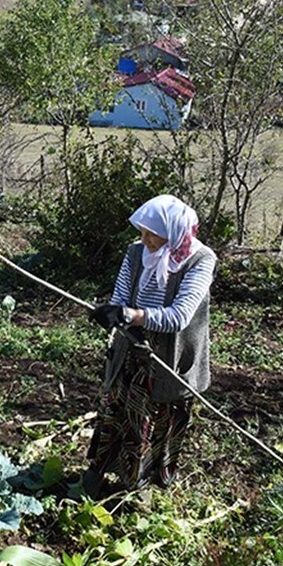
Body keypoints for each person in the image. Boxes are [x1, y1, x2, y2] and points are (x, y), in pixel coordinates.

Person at [83, 194, 217, 496]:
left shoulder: (199, 259)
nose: (144, 240)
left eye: (151, 234)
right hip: (131, 349)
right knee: (116, 411)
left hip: (167, 360)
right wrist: (111, 312)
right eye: (141, 233)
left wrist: (132, 316)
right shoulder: (135, 253)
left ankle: (140, 491)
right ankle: (95, 477)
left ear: (172, 232)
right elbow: (121, 297)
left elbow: (179, 316)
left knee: (154, 423)